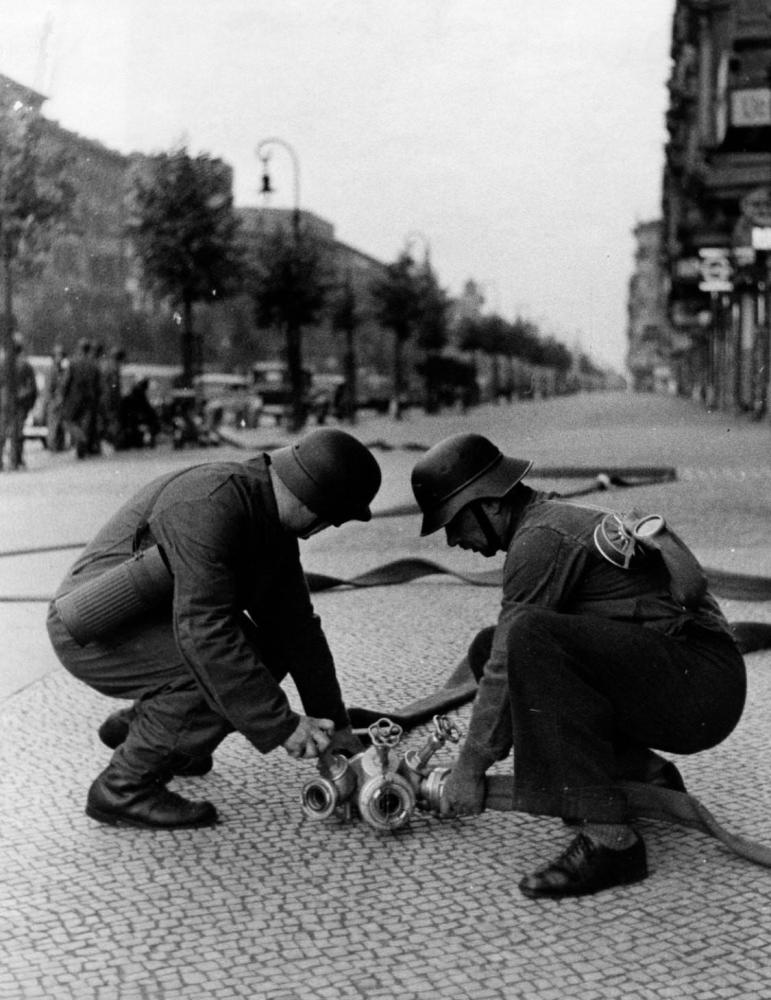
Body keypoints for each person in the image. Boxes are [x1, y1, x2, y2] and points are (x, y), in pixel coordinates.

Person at [410, 433, 746, 899]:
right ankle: (642, 772)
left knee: (528, 638)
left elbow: (513, 662)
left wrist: (469, 769)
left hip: (702, 688)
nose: (452, 539)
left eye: (453, 521)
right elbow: (504, 660)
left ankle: (611, 841)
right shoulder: (547, 522)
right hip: (687, 674)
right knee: (491, 646)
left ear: (488, 506)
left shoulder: (539, 540)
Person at [46, 428, 381, 831]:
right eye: (330, 519)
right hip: (92, 631)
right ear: (315, 502)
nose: (325, 528)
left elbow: (297, 631)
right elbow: (204, 636)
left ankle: (152, 730)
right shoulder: (210, 505)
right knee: (210, 669)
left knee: (262, 655)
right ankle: (124, 788)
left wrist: (335, 722)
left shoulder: (267, 513)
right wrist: (284, 726)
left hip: (149, 620)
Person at [0, 338, 38, 470]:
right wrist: (29, 403)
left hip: (4, 403)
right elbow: (33, 388)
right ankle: (15, 461)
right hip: (19, 403)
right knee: (17, 433)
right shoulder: (25, 365)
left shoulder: (3, 364)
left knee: (2, 432)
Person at [61, 338, 101, 459]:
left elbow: (65, 382)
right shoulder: (94, 365)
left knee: (68, 421)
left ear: (79, 348)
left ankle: (81, 438)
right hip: (89, 398)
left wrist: (62, 396)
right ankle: (81, 448)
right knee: (85, 423)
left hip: (74, 399)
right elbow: (98, 385)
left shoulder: (73, 363)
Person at [45, 343, 69, 452]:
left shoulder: (63, 370)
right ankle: (53, 446)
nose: (60, 358)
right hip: (54, 403)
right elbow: (49, 389)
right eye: (57, 355)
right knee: (53, 426)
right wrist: (53, 401)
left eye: (61, 355)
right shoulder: (52, 370)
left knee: (61, 426)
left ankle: (60, 446)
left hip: (62, 402)